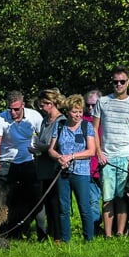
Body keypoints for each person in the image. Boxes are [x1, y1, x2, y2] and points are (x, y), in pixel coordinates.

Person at [95, 69, 129, 238]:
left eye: (122, 81)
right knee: (108, 197)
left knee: (122, 197)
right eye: (116, 82)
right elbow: (94, 130)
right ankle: (108, 234)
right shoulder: (102, 102)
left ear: (128, 82)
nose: (119, 85)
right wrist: (99, 152)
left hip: (125, 156)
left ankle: (120, 233)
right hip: (107, 157)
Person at [0, 90, 43, 238]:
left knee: (36, 197)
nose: (13, 112)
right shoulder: (0, 119)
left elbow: (44, 137)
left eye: (16, 109)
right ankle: (1, 231)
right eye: (10, 109)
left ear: (23, 105)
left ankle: (41, 232)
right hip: (7, 161)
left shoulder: (34, 116)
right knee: (3, 199)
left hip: (29, 159)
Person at [47, 95, 97, 242]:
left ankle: (88, 240)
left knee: (84, 207)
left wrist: (72, 156)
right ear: (68, 111)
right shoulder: (60, 125)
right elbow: (51, 149)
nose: (78, 115)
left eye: (80, 111)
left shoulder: (86, 126)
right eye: (75, 111)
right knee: (64, 208)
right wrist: (59, 157)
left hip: (81, 172)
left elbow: (91, 151)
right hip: (62, 172)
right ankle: (65, 239)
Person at [31, 89, 65, 240]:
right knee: (47, 204)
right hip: (43, 167)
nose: (40, 108)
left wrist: (41, 147)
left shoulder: (61, 121)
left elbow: (58, 145)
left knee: (55, 203)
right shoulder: (45, 121)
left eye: (42, 105)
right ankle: (50, 233)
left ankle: (58, 235)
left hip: (55, 168)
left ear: (50, 104)